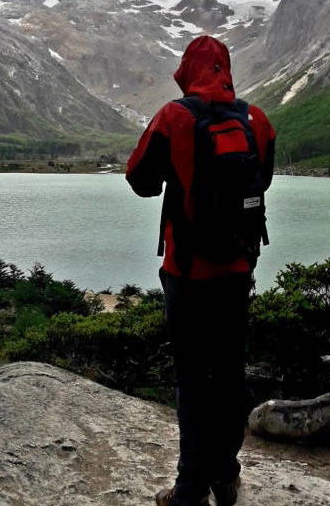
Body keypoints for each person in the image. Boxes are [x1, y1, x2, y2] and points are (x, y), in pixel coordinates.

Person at [126, 35, 276, 506]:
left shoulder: (174, 117)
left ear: (188, 71)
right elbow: (263, 179)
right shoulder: (257, 120)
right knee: (230, 373)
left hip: (187, 271)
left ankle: (189, 488)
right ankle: (226, 477)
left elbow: (139, 178)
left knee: (193, 380)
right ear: (225, 69)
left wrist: (183, 174)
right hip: (238, 268)